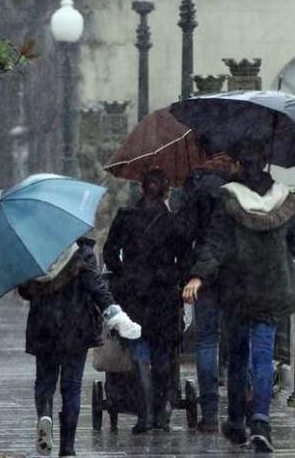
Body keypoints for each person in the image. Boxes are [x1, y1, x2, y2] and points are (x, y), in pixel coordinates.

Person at [182, 140, 295, 453]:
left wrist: (198, 275)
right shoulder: (285, 200)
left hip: (238, 289)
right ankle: (261, 421)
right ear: (265, 163)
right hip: (272, 288)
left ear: (238, 164)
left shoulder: (229, 199)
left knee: (237, 357)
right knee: (264, 355)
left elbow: (216, 243)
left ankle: (237, 420)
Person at [18, 237, 141, 456]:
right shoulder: (82, 252)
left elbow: (25, 291)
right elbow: (96, 288)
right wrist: (116, 316)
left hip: (44, 325)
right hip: (76, 327)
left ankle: (44, 415)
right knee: (71, 387)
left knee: (45, 381)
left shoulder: (36, 250)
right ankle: (68, 448)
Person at [104, 169, 184, 434]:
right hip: (164, 295)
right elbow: (183, 260)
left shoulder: (126, 218)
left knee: (138, 350)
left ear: (141, 188)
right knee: (162, 354)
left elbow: (110, 253)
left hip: (134, 293)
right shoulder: (173, 222)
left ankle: (144, 414)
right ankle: (161, 412)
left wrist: (124, 272)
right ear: (165, 190)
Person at [173, 154, 240, 432]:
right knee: (238, 340)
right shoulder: (236, 187)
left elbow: (182, 231)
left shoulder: (193, 186)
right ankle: (242, 408)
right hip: (234, 272)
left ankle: (210, 413)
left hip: (202, 272)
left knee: (206, 341)